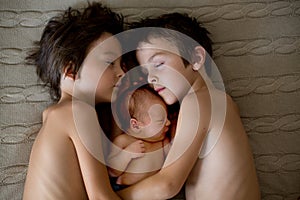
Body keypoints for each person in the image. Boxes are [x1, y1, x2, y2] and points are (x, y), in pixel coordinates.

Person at [117, 13, 261, 199]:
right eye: (145, 72)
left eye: (159, 63)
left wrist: (110, 196)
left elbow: (167, 185)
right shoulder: (220, 102)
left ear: (196, 58)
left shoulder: (200, 101)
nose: (151, 78)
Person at [23, 2, 124, 199]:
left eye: (122, 64)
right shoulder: (77, 111)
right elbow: (101, 197)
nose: (122, 73)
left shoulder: (56, 115)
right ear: (70, 70)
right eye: (110, 62)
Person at [107, 85, 171, 190]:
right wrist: (126, 154)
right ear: (136, 125)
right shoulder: (124, 141)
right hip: (124, 189)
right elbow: (112, 171)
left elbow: (172, 161)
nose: (168, 123)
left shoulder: (163, 142)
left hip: (150, 192)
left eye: (167, 117)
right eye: (161, 120)